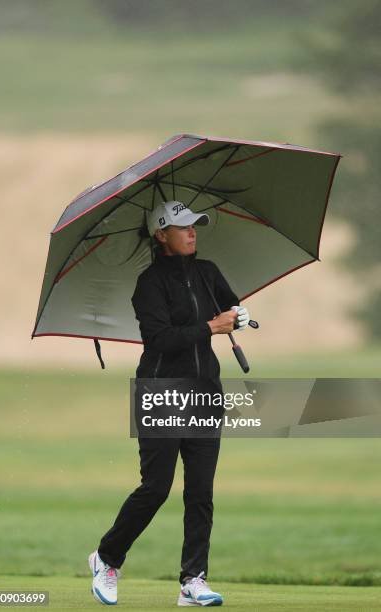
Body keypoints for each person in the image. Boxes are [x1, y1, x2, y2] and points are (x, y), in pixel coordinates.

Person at [88, 201, 250, 606]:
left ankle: (192, 580)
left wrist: (240, 314)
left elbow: (231, 304)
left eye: (195, 225)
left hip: (204, 393)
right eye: (183, 227)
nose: (193, 232)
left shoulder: (208, 272)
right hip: (161, 392)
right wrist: (212, 326)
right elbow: (161, 340)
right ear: (161, 235)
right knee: (156, 488)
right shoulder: (149, 284)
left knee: (200, 492)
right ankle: (107, 558)